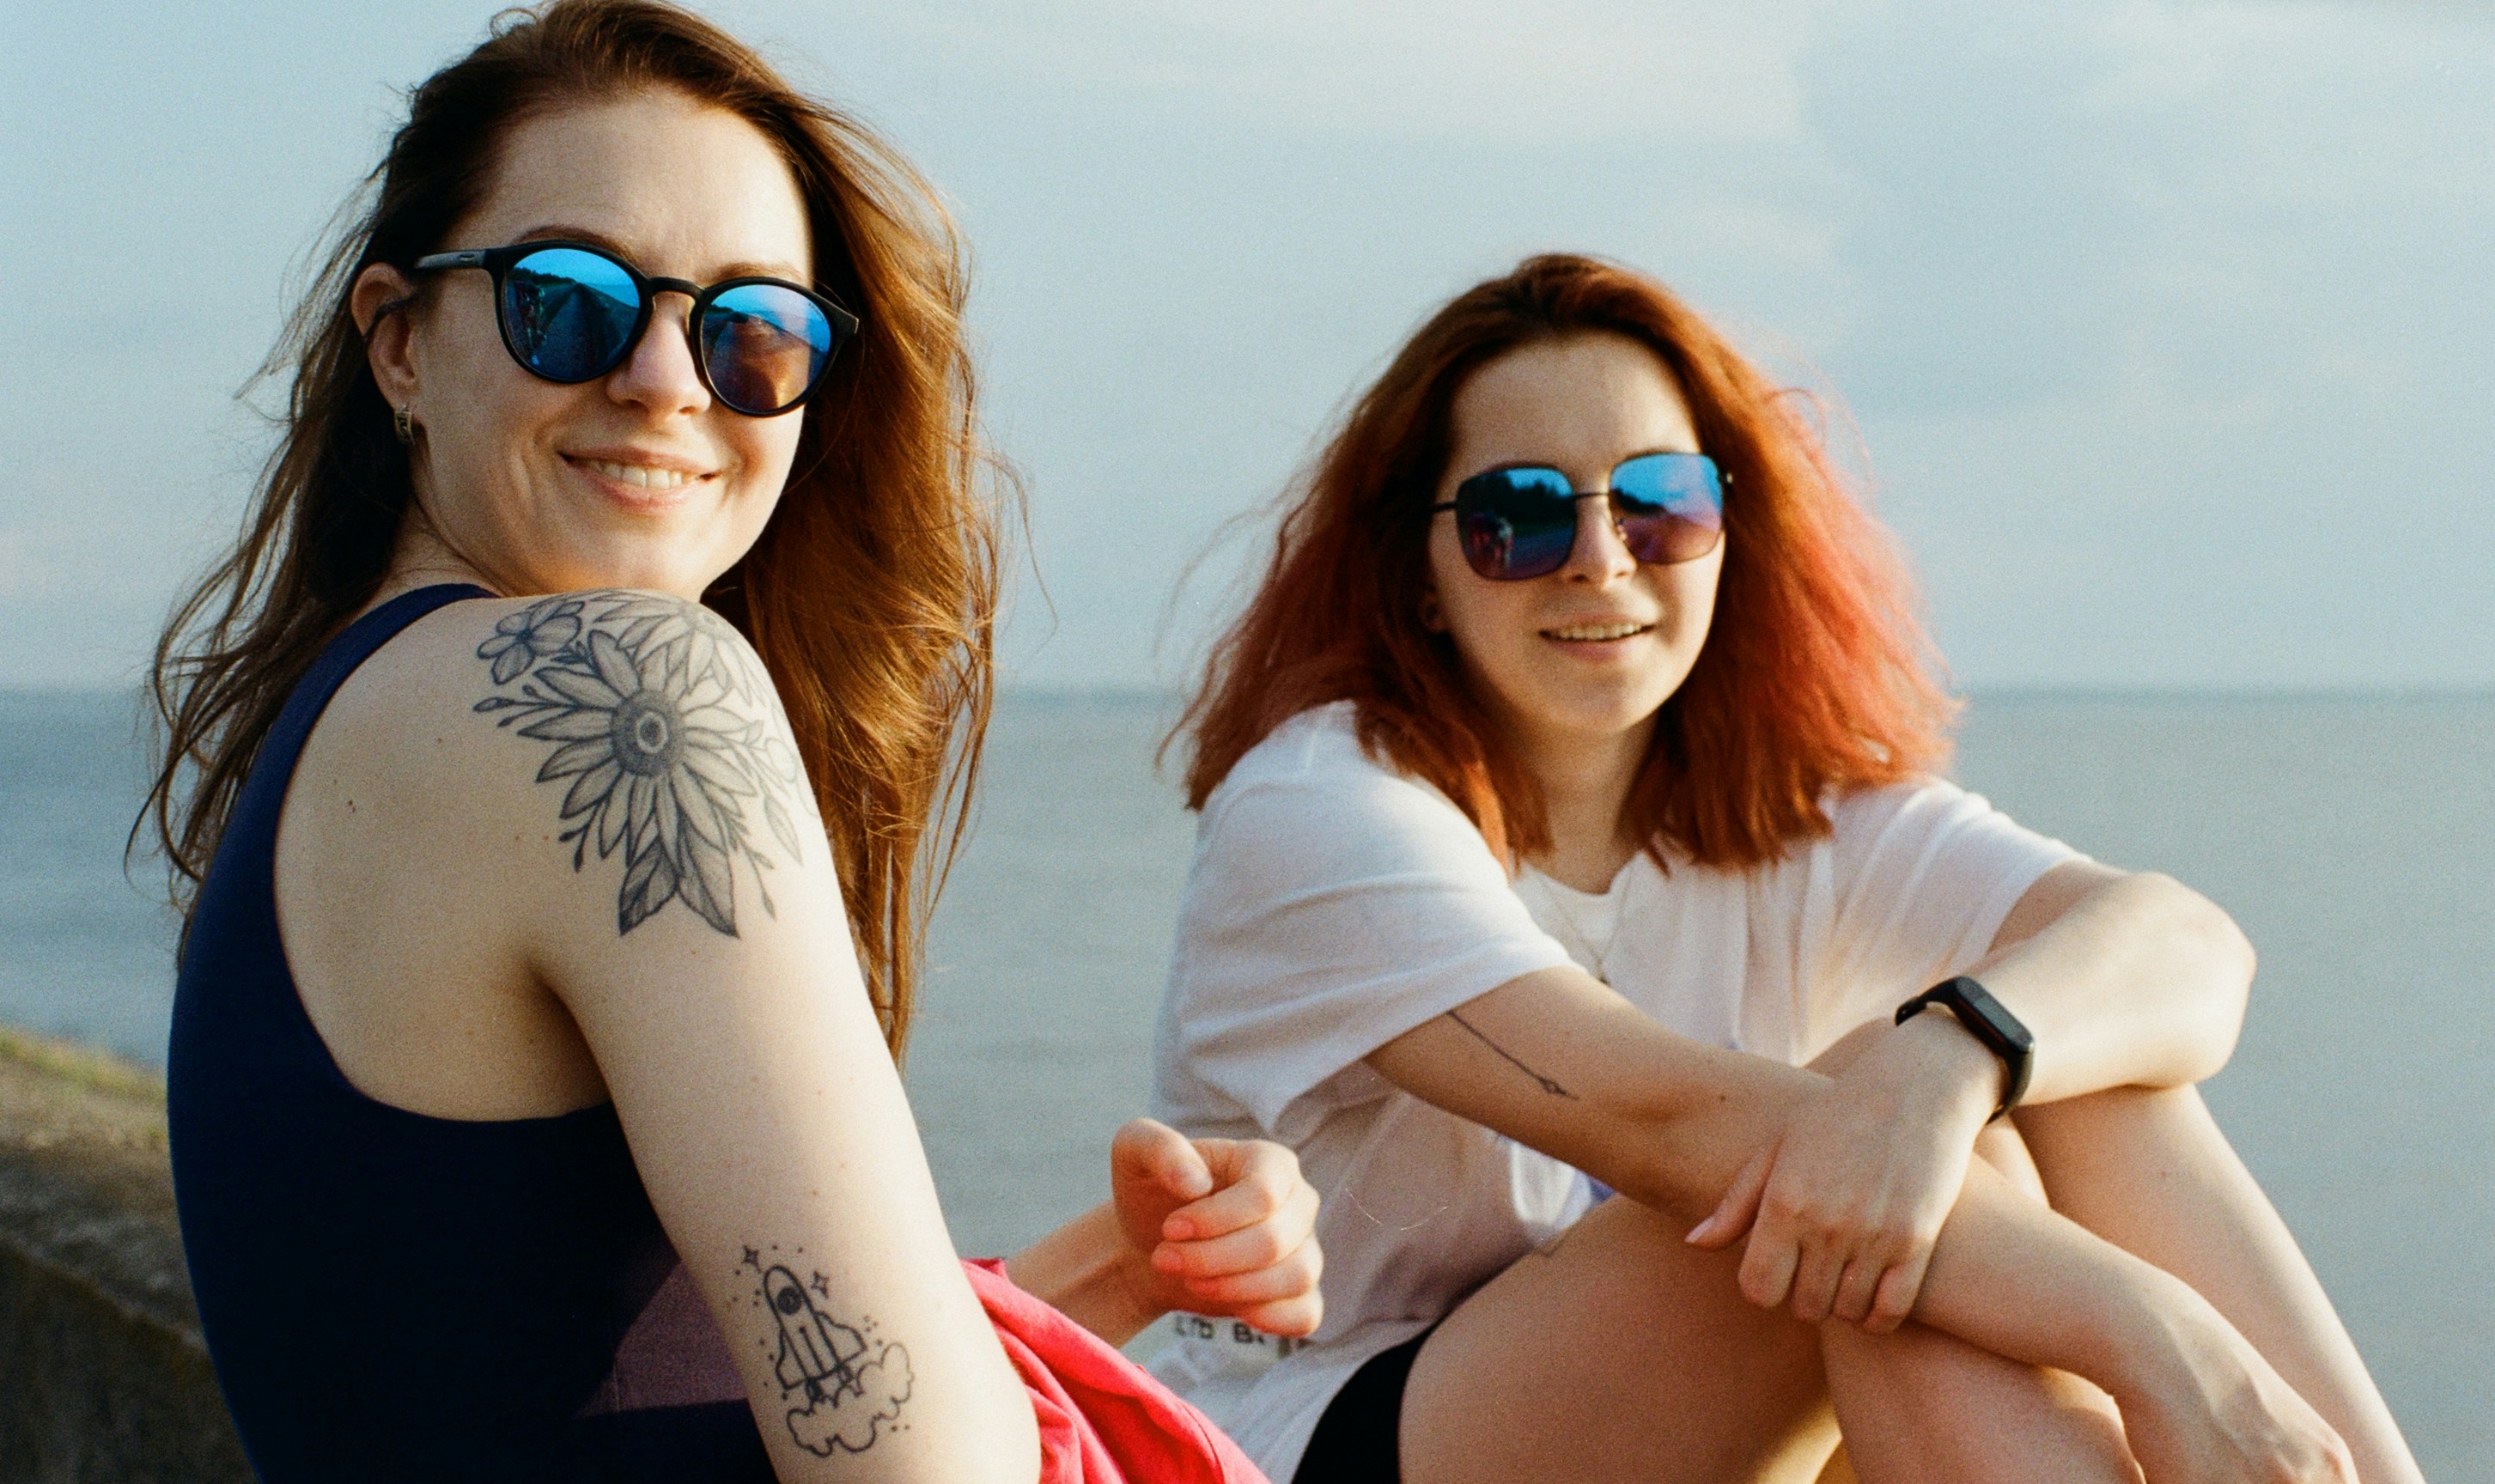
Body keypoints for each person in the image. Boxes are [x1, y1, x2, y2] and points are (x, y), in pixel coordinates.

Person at [147, 4, 1318, 1480]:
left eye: (751, 331)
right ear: (396, 343)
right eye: (565, 301)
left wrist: (1121, 1275)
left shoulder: (346, 727)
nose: (664, 377)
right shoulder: (613, 680)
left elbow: (528, 1369)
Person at [1150, 253, 2423, 1484]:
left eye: (1657, 499)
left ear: (1725, 529)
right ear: (1419, 578)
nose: (1601, 556)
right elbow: (1675, 1127)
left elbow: (2185, 952)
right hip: (1320, 1440)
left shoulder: (1795, 817)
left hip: (1676, 1415)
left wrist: (1952, 1050)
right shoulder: (1322, 810)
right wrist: (2172, 1350)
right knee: (1878, 1185)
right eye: (1520, 516)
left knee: (2053, 1065)